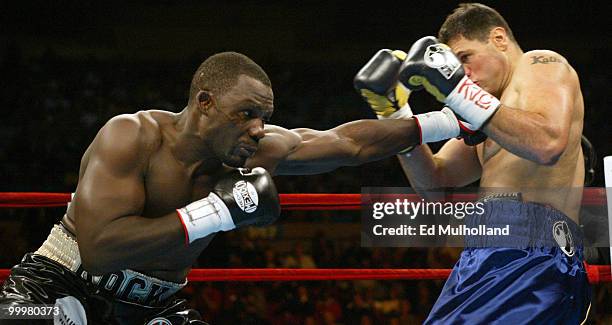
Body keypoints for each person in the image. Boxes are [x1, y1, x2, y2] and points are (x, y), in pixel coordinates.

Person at [0, 52, 468, 325]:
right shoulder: (131, 136)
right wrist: (216, 213)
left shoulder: (260, 149)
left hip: (152, 308)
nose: (259, 128)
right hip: (59, 285)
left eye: (264, 116)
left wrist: (449, 120)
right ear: (204, 102)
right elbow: (101, 251)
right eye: (246, 113)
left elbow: (349, 143)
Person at [367, 3, 590, 324]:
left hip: (530, 252)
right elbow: (435, 183)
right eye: (453, 68)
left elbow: (546, 143)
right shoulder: (488, 114)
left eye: (465, 58)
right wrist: (394, 113)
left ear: (498, 39)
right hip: (488, 253)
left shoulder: (540, 63)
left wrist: (458, 91)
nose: (462, 74)